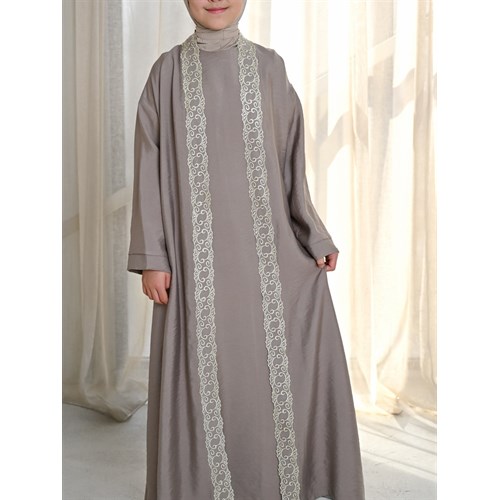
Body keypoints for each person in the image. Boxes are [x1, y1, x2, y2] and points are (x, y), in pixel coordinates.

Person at [128, 1, 365, 499]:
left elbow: (291, 162)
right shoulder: (165, 75)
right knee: (204, 374)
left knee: (265, 376)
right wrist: (153, 256)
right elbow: (149, 167)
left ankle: (271, 482)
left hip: (266, 261)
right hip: (193, 266)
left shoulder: (269, 68)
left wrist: (313, 235)